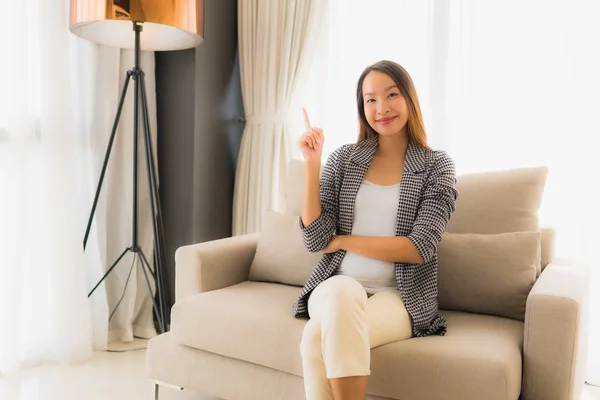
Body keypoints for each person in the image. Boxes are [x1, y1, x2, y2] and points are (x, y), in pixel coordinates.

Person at [294, 60, 459, 400]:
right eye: (370, 99)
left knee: (315, 338)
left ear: (409, 99)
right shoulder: (344, 160)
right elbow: (315, 239)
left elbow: (418, 247)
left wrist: (344, 240)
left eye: (391, 95)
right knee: (341, 293)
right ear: (362, 107)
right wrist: (313, 164)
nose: (381, 108)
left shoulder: (436, 166)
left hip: (400, 297)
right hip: (334, 288)